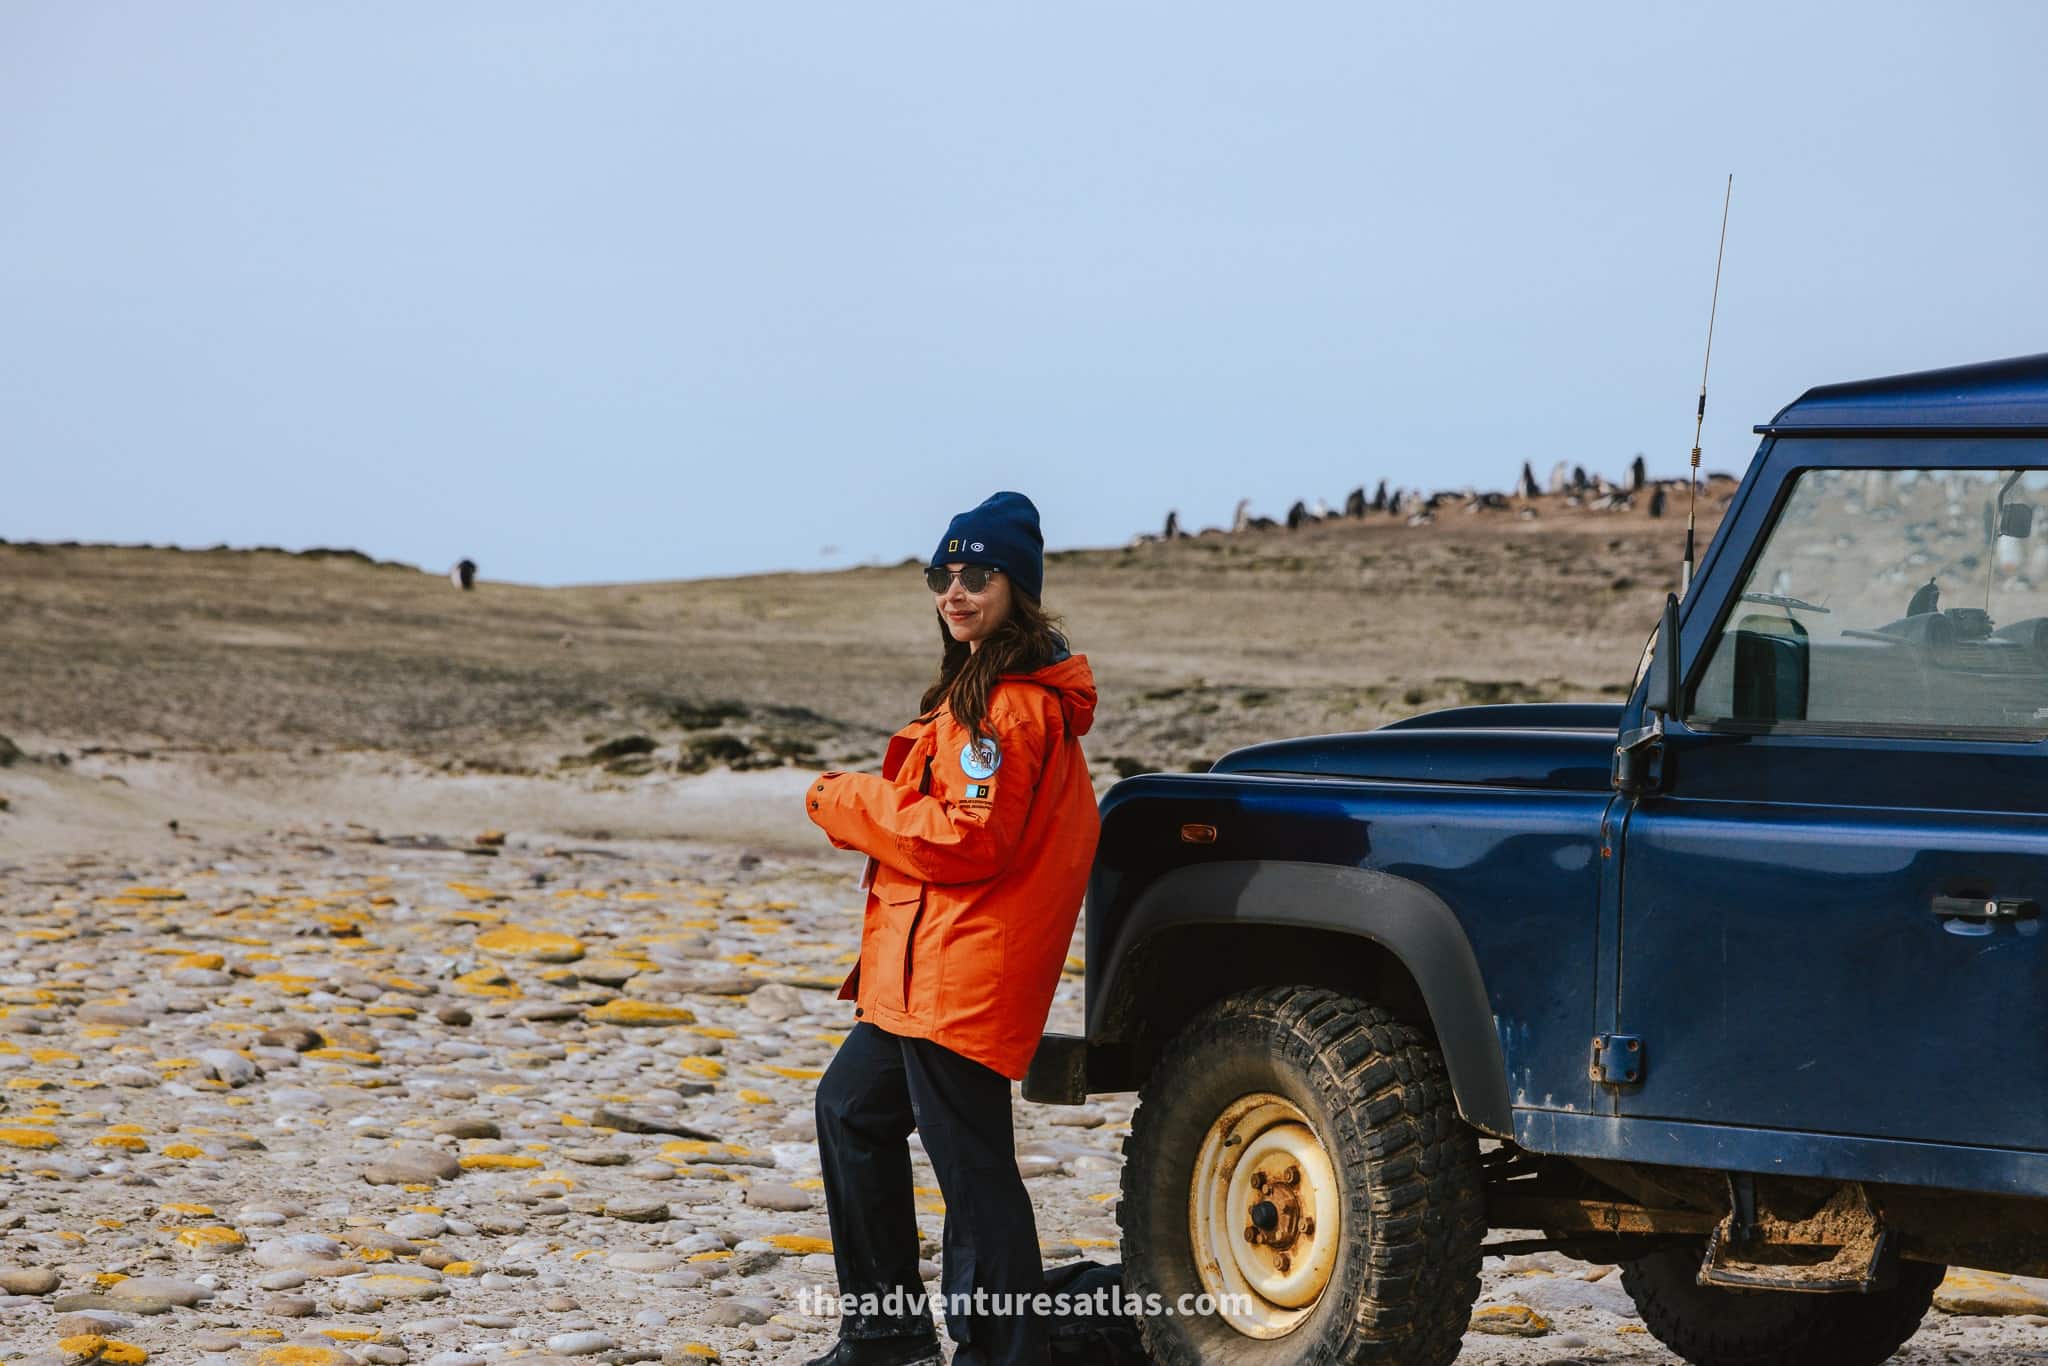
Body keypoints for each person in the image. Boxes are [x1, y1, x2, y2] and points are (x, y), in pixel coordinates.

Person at [803, 491, 1101, 1366]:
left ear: (1018, 586)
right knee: (851, 1111)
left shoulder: (1005, 707)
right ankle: (887, 1336)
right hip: (925, 966)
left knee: (970, 1166)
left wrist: (842, 798)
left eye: (978, 573)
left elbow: (969, 839)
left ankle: (1003, 1351)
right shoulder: (982, 688)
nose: (956, 590)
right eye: (943, 573)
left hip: (962, 965)